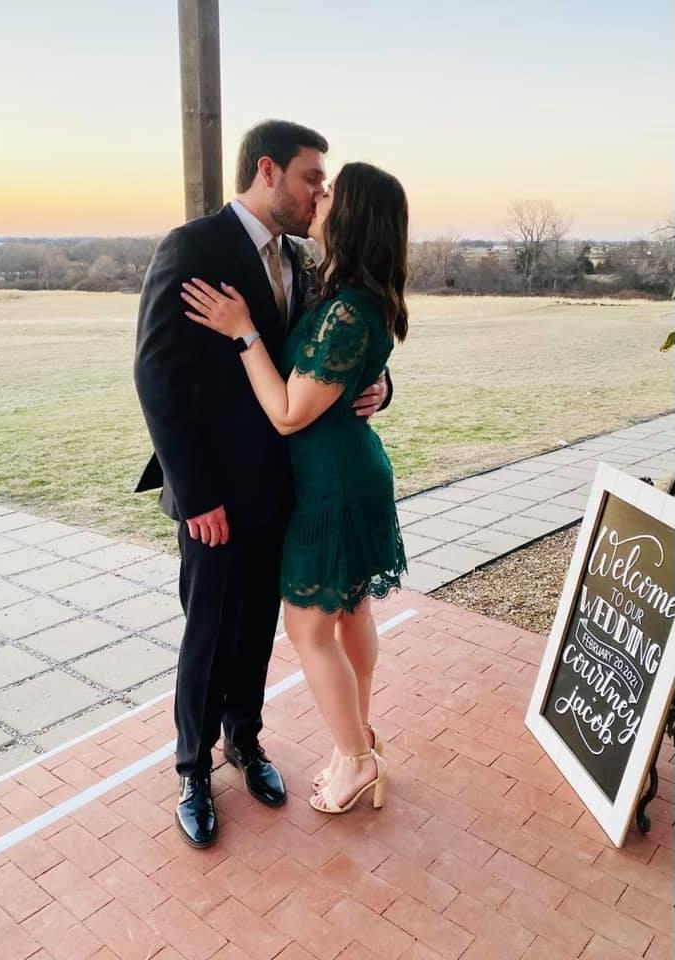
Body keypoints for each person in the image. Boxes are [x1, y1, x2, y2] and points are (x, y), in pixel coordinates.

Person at [133, 121, 393, 847]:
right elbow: (157, 376)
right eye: (312, 178)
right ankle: (192, 769)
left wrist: (380, 386)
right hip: (215, 497)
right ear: (269, 171)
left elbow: (333, 352)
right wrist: (195, 494)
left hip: (287, 489)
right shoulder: (193, 247)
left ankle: (244, 742)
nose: (319, 193)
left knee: (255, 632)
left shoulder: (304, 261)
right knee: (210, 632)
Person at [181, 160, 409, 815]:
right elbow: (349, 369)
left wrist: (243, 332)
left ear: (354, 215)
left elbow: (287, 412)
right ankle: (358, 737)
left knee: (309, 631)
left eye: (332, 191)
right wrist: (376, 384)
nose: (321, 196)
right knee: (352, 612)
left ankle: (357, 760)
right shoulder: (349, 289)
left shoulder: (347, 308)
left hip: (331, 485)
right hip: (348, 468)